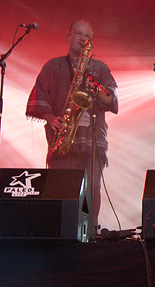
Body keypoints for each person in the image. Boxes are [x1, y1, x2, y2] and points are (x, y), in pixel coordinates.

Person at [26, 20, 119, 234]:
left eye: (88, 36)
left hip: (92, 143)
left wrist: (95, 88)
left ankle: (92, 234)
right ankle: (59, 235)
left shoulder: (100, 68)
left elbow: (112, 99)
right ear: (69, 36)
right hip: (62, 142)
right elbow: (38, 98)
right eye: (78, 33)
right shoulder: (52, 66)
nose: (83, 38)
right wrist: (50, 117)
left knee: (92, 192)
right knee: (61, 193)